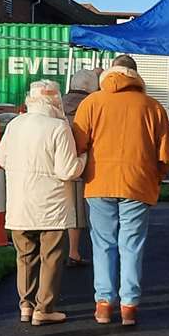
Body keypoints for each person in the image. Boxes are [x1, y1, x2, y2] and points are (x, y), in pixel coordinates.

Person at [71, 54, 169, 327]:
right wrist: (155, 178)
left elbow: (78, 145)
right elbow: (165, 157)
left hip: (98, 183)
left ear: (109, 73)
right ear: (137, 76)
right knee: (132, 246)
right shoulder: (153, 108)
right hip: (138, 184)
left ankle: (103, 305)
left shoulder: (91, 103)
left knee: (103, 244)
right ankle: (129, 306)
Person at [0, 79, 86, 325]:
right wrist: (84, 158)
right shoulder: (59, 127)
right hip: (51, 206)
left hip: (19, 203)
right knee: (51, 257)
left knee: (25, 256)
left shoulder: (15, 124)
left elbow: (1, 157)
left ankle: (25, 305)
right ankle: (44, 309)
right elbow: (68, 170)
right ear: (56, 100)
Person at [62, 67, 101, 266]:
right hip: (79, 162)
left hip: (55, 162)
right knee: (77, 209)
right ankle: (73, 252)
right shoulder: (91, 106)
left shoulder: (58, 103)